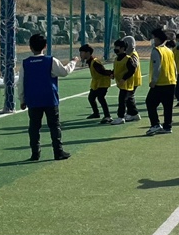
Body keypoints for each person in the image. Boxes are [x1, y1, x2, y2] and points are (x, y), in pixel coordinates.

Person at [20, 32, 74, 162]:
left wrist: (22, 100)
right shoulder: (51, 60)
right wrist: (73, 62)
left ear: (30, 47)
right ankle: (58, 152)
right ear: (45, 46)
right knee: (54, 125)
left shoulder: (25, 63)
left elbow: (20, 83)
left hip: (33, 99)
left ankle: (35, 153)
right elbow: (64, 72)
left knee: (34, 127)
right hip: (50, 98)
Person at [145, 28, 178, 135]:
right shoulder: (169, 50)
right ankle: (167, 126)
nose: (152, 40)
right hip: (171, 81)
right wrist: (175, 79)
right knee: (167, 107)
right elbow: (174, 66)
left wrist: (154, 80)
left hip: (161, 83)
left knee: (150, 103)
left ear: (158, 39)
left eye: (154, 38)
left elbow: (157, 67)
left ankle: (155, 124)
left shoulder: (156, 50)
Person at [79, 43, 114, 122]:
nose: (80, 54)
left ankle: (108, 116)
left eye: (82, 52)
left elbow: (102, 71)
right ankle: (96, 113)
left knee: (101, 98)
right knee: (91, 97)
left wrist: (111, 74)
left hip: (102, 83)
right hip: (96, 83)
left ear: (88, 53)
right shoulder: (89, 61)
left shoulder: (94, 62)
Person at [112, 36, 142, 123]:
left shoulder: (131, 56)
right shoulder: (118, 58)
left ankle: (121, 116)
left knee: (123, 99)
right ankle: (134, 113)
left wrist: (124, 78)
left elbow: (133, 68)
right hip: (125, 81)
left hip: (131, 80)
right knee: (129, 98)